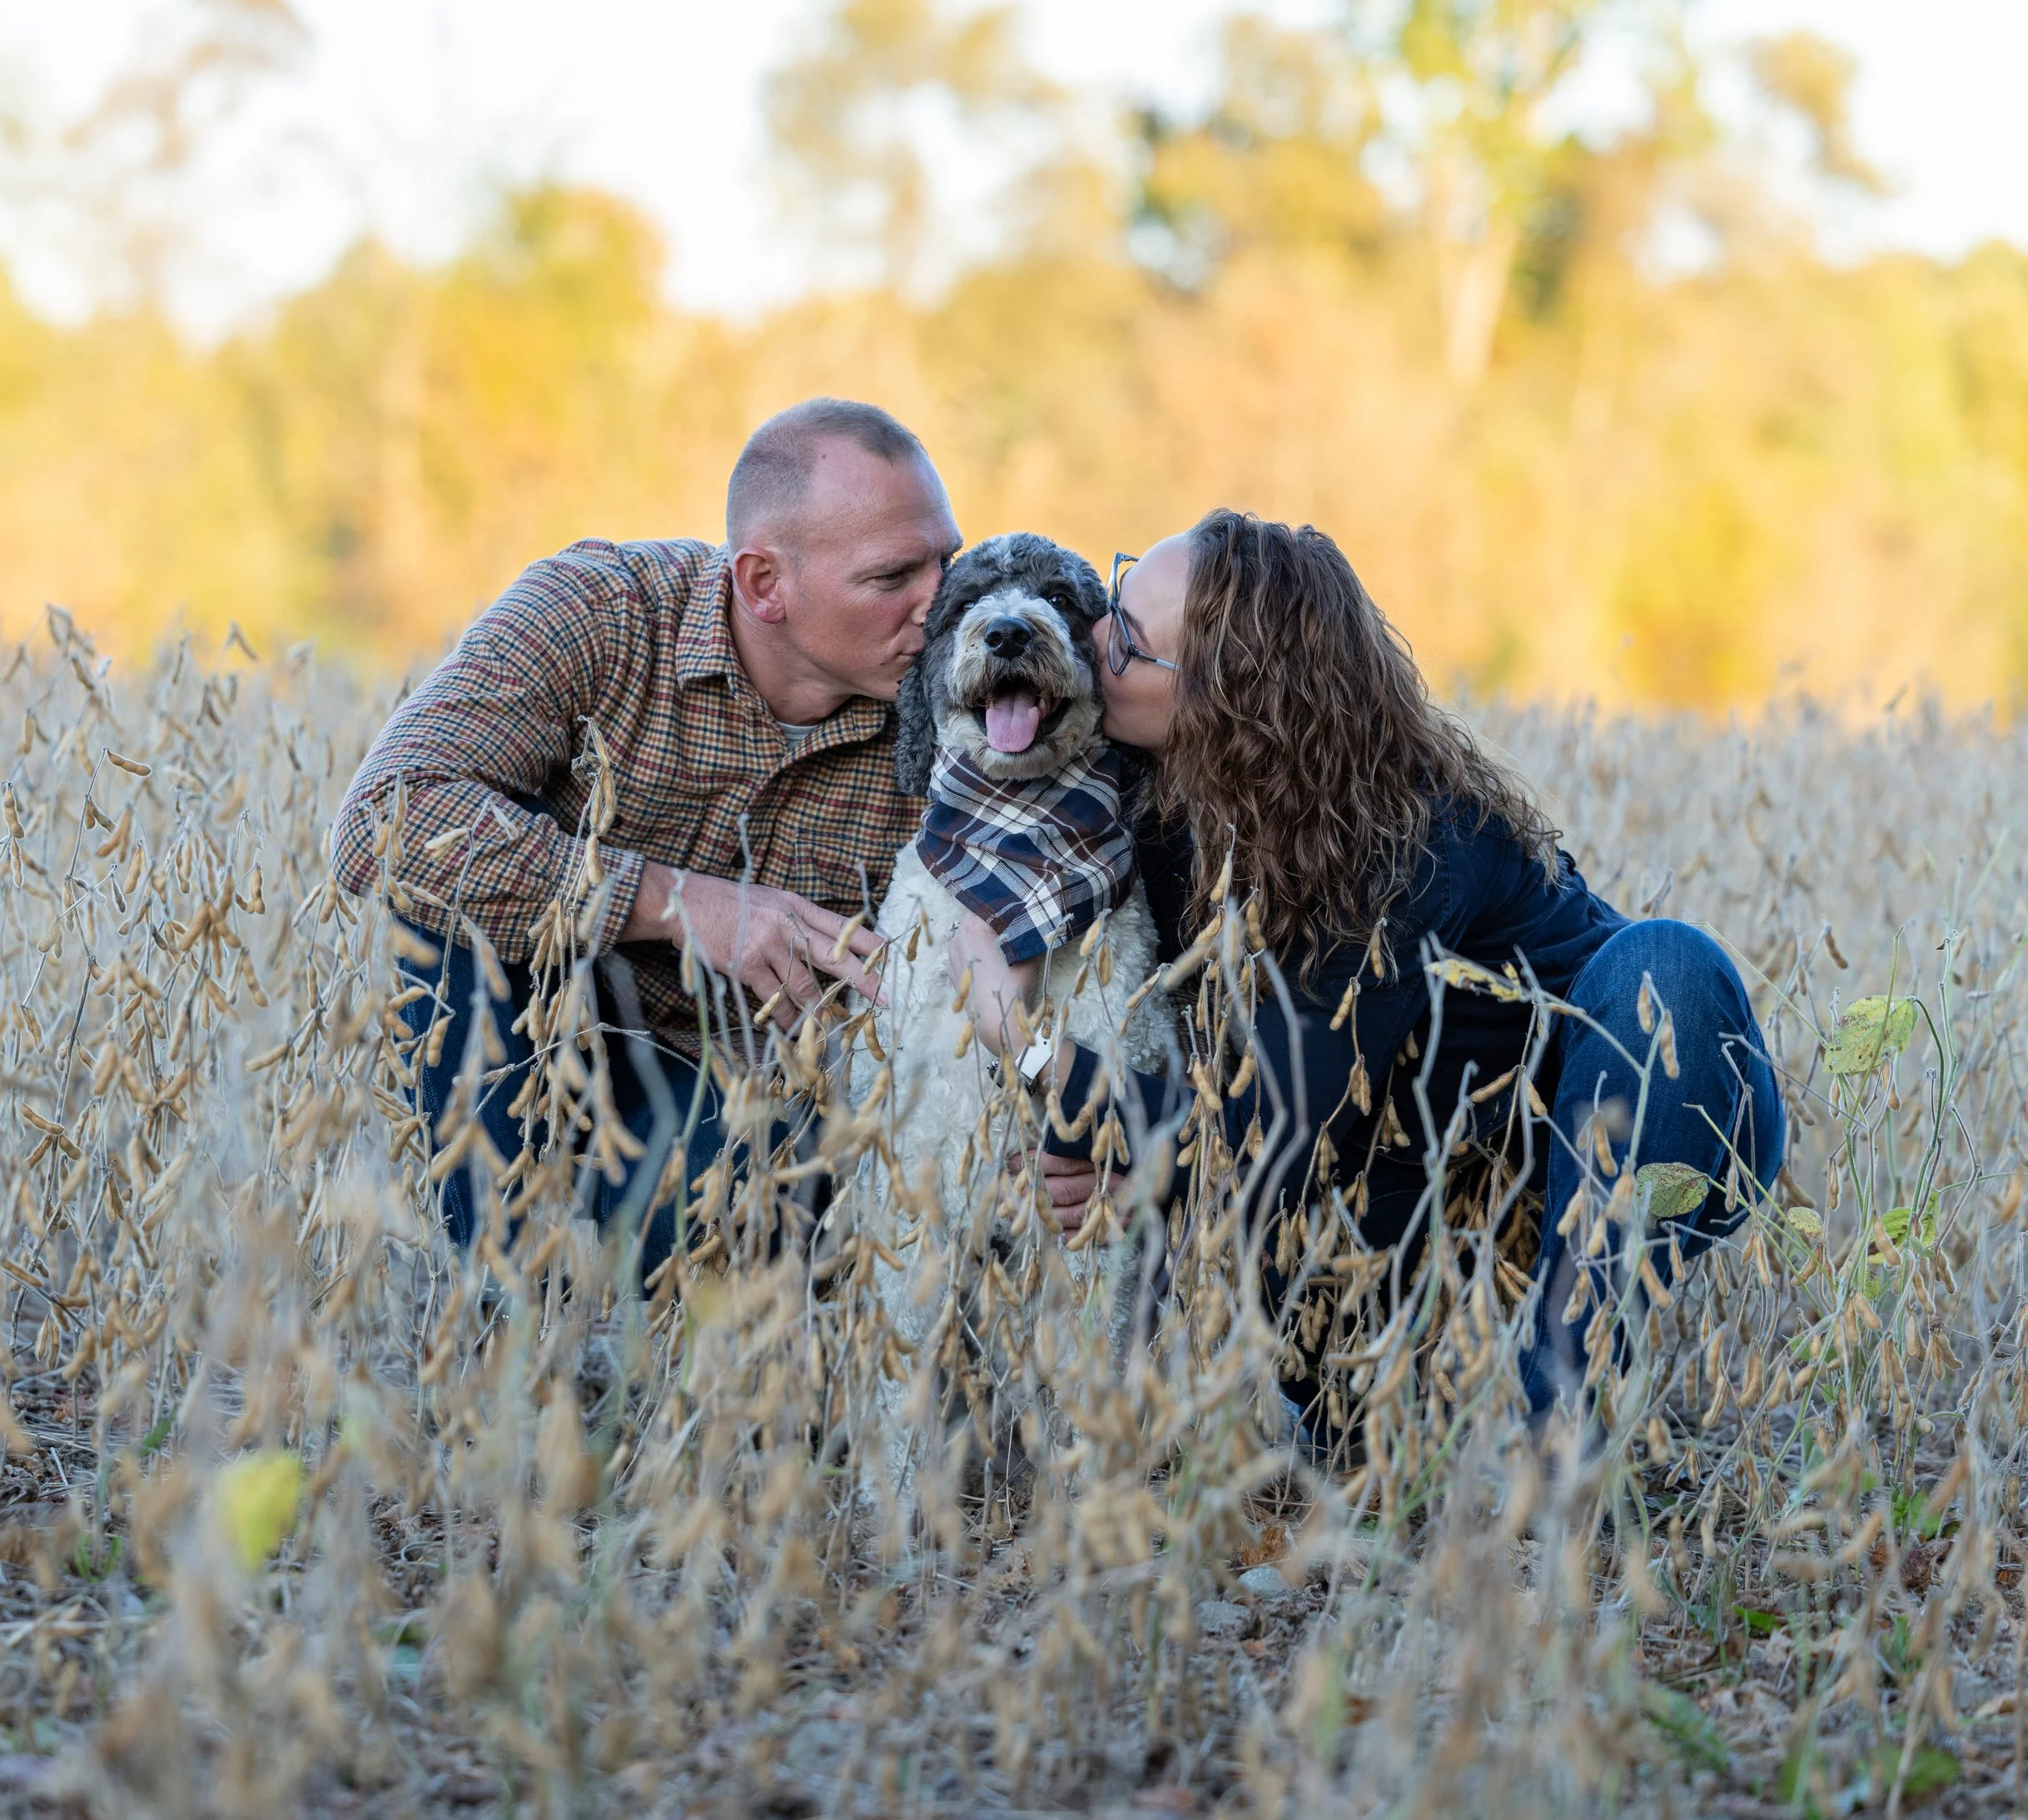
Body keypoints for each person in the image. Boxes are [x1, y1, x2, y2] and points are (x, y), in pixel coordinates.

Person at [950, 509, 1785, 1425]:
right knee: (1354, 1430)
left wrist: (1023, 1042)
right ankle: (1373, 1423)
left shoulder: (1414, 838)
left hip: (1638, 1114)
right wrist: (1135, 1151)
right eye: (1112, 603)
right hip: (1406, 1149)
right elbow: (1249, 1134)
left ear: (1225, 702)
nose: (1093, 638)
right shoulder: (1158, 806)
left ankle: (1565, 1430)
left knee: (1665, 961)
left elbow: (1265, 1131)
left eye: (1129, 643)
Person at [329, 398, 962, 1276]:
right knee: (441, 917)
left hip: (737, 1094)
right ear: (764, 583)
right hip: (543, 1034)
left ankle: (673, 1281)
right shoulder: (603, 612)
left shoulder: (972, 706)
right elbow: (386, 818)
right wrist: (675, 901)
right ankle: (507, 1310)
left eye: (948, 562)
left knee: (768, 1208)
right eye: (893, 578)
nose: (942, 606)